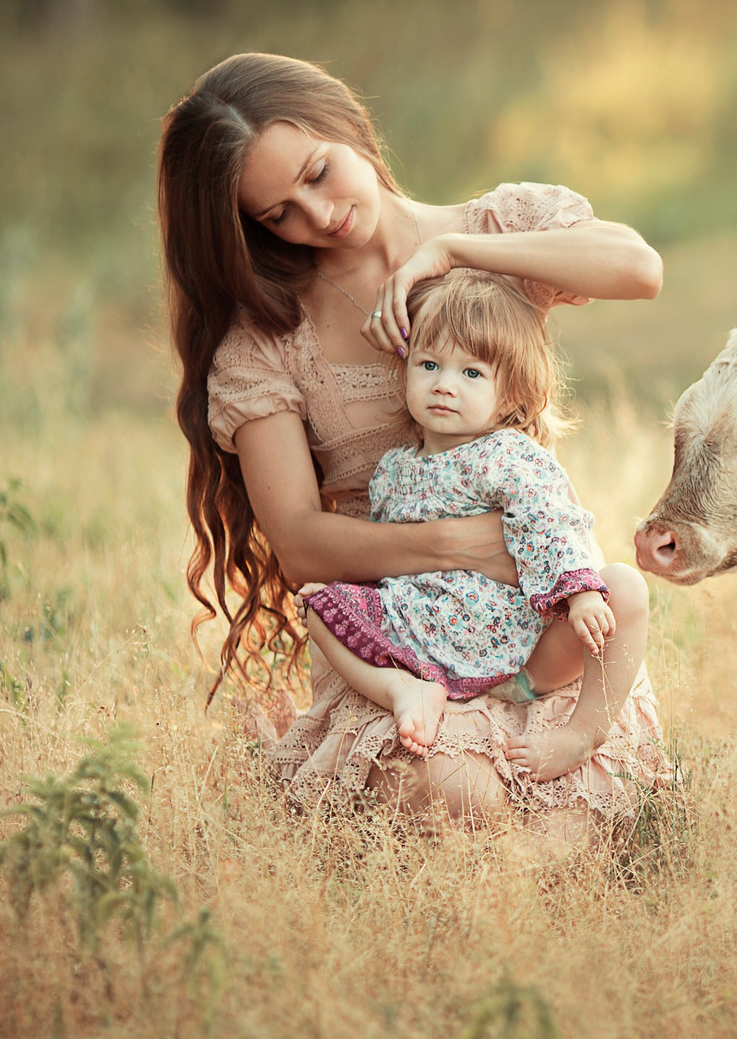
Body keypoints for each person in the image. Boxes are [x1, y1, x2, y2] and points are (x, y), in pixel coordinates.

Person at [157, 51, 668, 849]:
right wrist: (453, 546)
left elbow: (638, 268)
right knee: (459, 794)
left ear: (348, 127)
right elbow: (297, 542)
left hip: (534, 614)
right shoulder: (267, 341)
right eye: (279, 214)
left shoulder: (488, 227)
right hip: (396, 631)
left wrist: (459, 254)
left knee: (557, 830)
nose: (318, 215)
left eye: (320, 173)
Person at [305, 270, 660, 790]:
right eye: (429, 365)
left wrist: (581, 593)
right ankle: (401, 690)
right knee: (318, 607)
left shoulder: (508, 456)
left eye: (471, 373)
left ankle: (582, 732)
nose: (444, 384)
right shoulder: (394, 470)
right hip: (425, 638)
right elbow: (389, 561)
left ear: (508, 395)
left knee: (625, 587)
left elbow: (549, 521)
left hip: (523, 649)